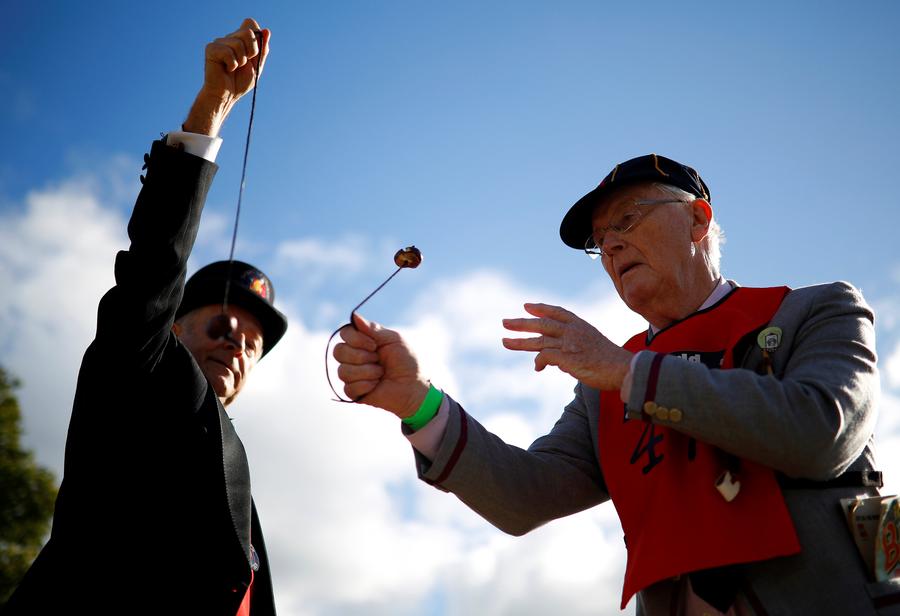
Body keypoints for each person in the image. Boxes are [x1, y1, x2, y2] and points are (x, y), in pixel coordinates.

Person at [333, 153, 893, 615]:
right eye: (600, 240)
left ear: (698, 220)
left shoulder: (815, 311)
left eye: (628, 220)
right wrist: (418, 402)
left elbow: (823, 432)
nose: (612, 246)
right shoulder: (606, 381)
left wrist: (629, 374)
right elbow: (525, 498)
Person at [5, 18, 285, 615]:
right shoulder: (141, 367)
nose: (237, 345)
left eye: (254, 345)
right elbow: (152, 275)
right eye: (222, 324)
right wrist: (210, 111)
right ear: (176, 326)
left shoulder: (242, 481)